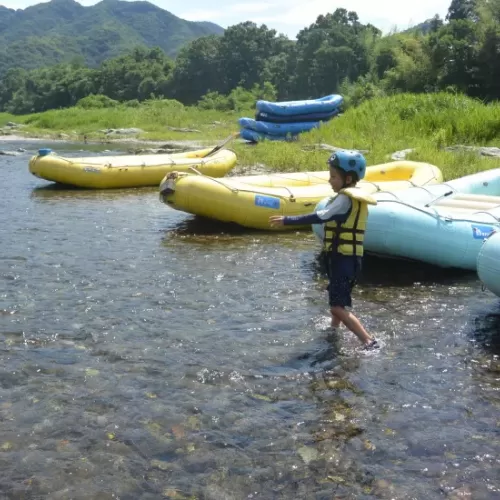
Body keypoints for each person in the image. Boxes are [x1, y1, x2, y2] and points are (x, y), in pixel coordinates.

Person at [269, 150, 379, 350]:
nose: (330, 180)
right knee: (337, 300)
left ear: (348, 178)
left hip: (343, 260)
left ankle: (368, 341)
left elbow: (321, 216)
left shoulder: (344, 199)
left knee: (337, 307)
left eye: (333, 176)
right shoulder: (350, 198)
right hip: (348, 258)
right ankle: (334, 331)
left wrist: (288, 220)